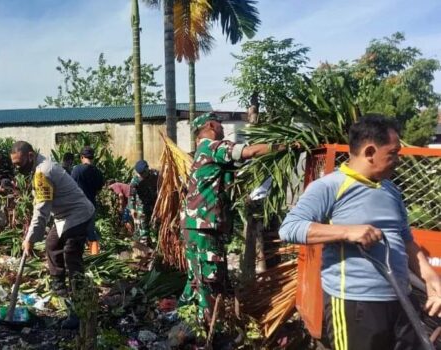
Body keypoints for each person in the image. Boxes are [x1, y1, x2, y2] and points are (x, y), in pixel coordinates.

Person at [279, 115, 441, 350]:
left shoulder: (391, 190)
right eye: (393, 153)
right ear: (370, 151)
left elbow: (405, 239)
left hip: (401, 300)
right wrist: (347, 232)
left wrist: (429, 277)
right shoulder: (330, 186)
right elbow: (290, 228)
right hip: (355, 304)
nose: (398, 160)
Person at [180, 112, 297, 339]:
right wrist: (288, 145)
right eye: (220, 125)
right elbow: (249, 151)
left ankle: (193, 326)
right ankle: (210, 335)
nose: (223, 129)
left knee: (200, 277)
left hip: (198, 226)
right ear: (212, 125)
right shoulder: (213, 146)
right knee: (208, 280)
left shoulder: (202, 153)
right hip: (203, 226)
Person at [10, 141, 94, 329]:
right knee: (51, 244)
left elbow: (41, 211)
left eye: (19, 163)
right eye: (14, 164)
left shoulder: (43, 172)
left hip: (77, 215)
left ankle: (79, 308)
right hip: (64, 217)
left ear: (30, 156)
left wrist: (30, 239)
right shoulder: (40, 168)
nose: (17, 167)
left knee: (71, 257)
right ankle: (60, 289)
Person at [71, 146, 104, 254]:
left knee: (77, 232)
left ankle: (77, 256)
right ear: (93, 158)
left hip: (78, 206)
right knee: (91, 232)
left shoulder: (76, 170)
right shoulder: (98, 172)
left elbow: (71, 186)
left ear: (82, 157)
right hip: (91, 205)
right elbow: (99, 189)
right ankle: (95, 256)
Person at [127, 160, 159, 245]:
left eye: (142, 173)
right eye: (139, 174)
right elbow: (131, 196)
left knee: (158, 226)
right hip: (142, 207)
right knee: (144, 229)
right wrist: (132, 209)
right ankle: (145, 248)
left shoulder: (155, 174)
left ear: (147, 169)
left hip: (156, 205)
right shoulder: (135, 180)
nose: (141, 175)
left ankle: (159, 247)